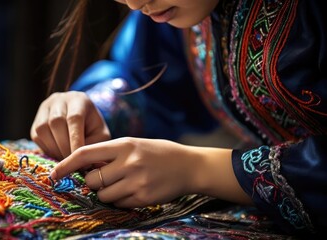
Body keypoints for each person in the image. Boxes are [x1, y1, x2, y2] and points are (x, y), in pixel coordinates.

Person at [31, 0, 327, 236]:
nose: (134, 4)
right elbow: (146, 81)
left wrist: (200, 169)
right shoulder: (180, 9)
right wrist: (97, 109)